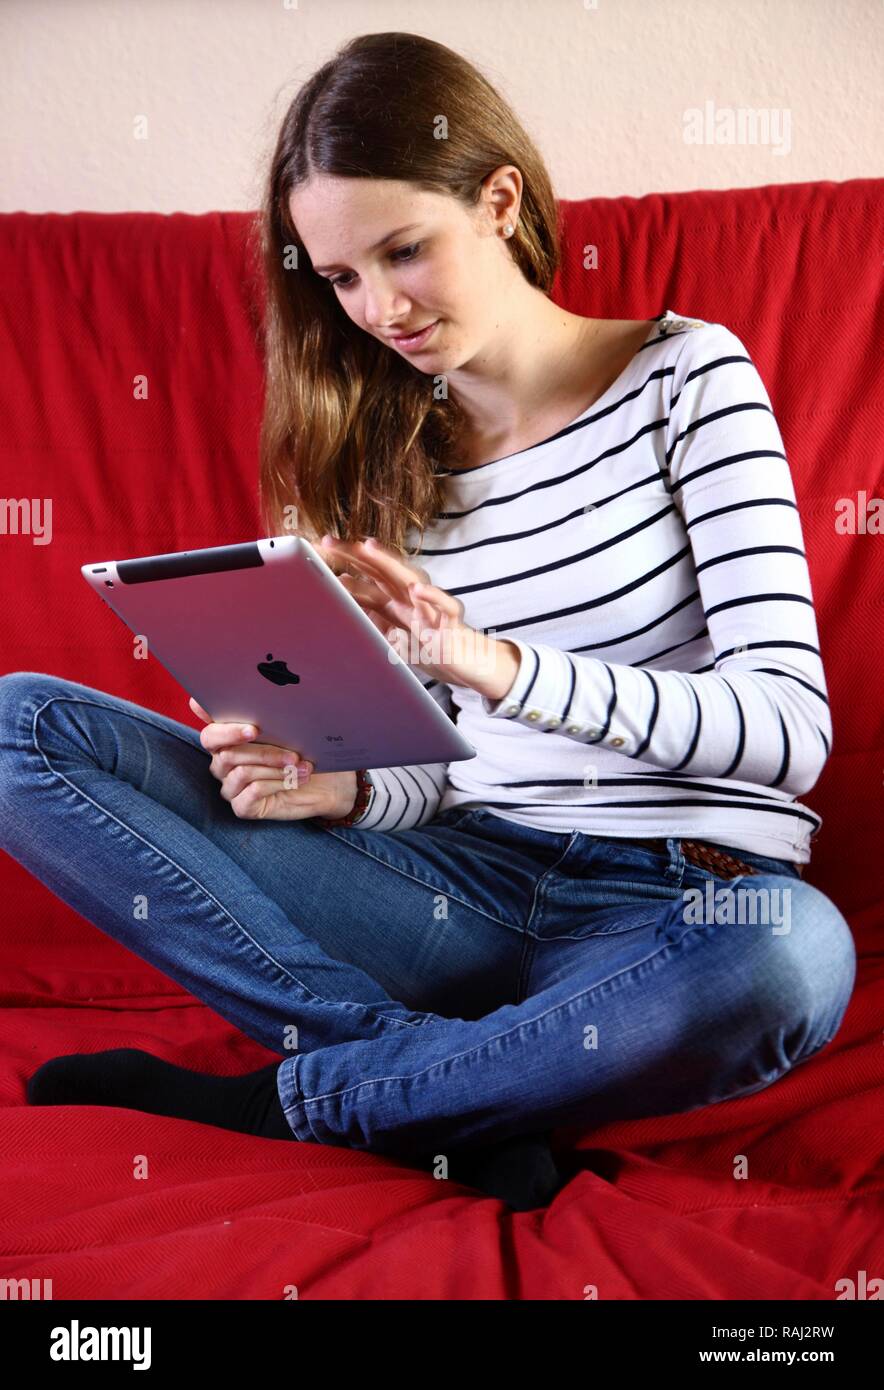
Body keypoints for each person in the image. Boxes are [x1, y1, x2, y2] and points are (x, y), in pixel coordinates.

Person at [4, 33, 855, 1212]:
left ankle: (309, 1097)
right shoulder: (390, 456)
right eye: (340, 278)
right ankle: (444, 1085)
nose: (377, 308)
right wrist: (345, 791)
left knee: (791, 956)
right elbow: (444, 769)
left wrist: (498, 664)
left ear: (497, 200)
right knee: (21, 728)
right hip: (452, 894)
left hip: (678, 907)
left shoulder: (687, 382)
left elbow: (786, 731)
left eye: (404, 251)